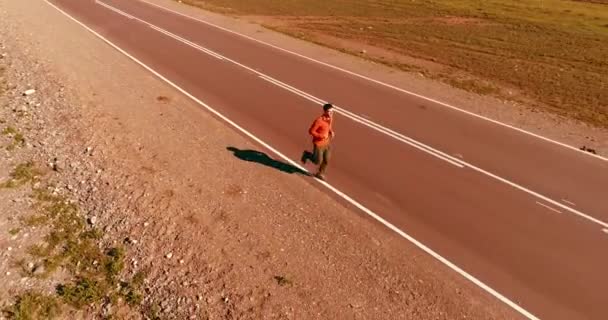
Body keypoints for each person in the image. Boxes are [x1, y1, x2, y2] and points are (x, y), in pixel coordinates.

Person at [301, 103, 335, 180]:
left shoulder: (330, 118)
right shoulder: (319, 121)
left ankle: (320, 173)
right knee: (317, 161)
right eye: (329, 112)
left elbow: (328, 126)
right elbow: (311, 131)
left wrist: (331, 131)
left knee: (326, 160)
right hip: (319, 144)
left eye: (332, 111)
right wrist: (321, 136)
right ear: (325, 111)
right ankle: (307, 154)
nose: (331, 113)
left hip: (327, 143)